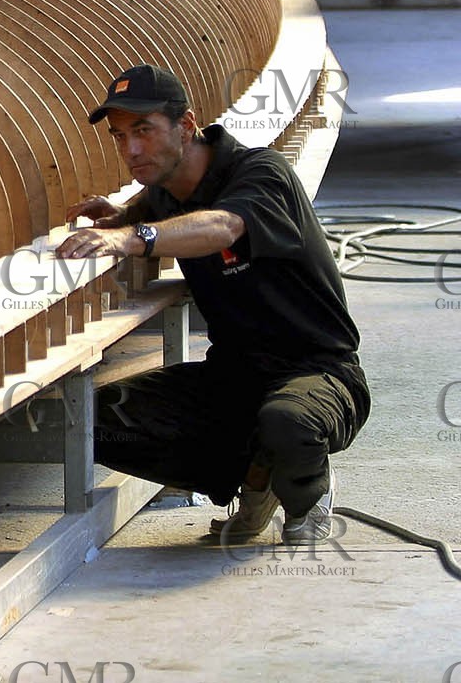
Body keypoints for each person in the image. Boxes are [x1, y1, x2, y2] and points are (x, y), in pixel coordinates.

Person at [55, 64, 371, 543]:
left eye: (144, 130)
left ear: (185, 127)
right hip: (232, 378)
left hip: (318, 371)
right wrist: (120, 215)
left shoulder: (262, 174)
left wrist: (130, 237)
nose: (132, 149)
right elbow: (152, 209)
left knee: (287, 422)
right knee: (88, 422)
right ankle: (254, 474)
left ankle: (307, 495)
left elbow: (223, 226)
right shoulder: (165, 191)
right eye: (120, 136)